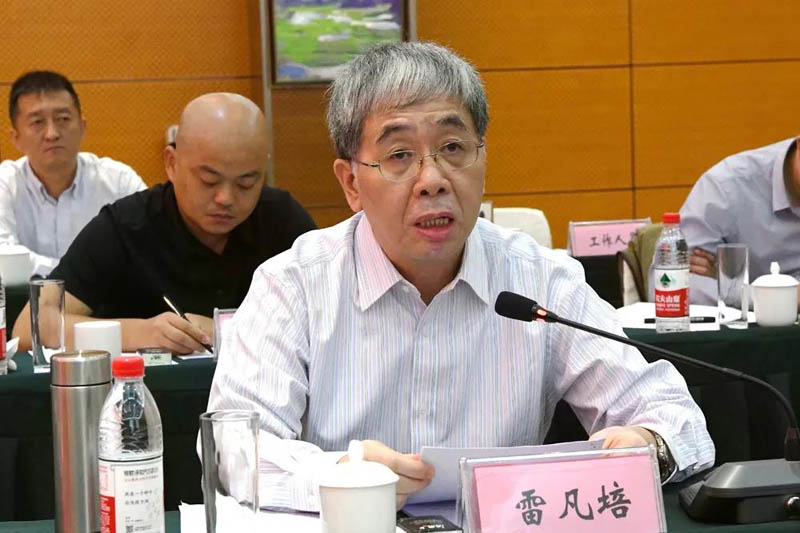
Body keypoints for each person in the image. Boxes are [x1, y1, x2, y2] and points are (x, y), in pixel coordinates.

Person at [207, 42, 714, 512]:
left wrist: (648, 443)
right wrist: (344, 474)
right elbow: (235, 450)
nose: (432, 181)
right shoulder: (293, 285)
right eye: (399, 155)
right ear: (351, 183)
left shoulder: (541, 279)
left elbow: (675, 416)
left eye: (453, 147)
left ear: (482, 158)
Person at [13, 92, 316, 354]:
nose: (225, 198)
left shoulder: (282, 220)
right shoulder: (126, 227)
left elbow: (331, 316)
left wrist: (228, 329)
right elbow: (32, 326)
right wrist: (142, 332)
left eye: (246, 183)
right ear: (172, 164)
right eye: (209, 180)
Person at [0, 71, 146, 276]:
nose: (52, 134)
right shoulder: (5, 184)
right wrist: (81, 276)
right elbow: (4, 259)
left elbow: (149, 246)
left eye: (63, 119)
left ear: (82, 127)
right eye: (37, 122)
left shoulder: (119, 182)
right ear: (16, 137)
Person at [679, 137, 800, 306]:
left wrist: (726, 289)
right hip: (743, 321)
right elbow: (677, 284)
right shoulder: (726, 187)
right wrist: (775, 299)